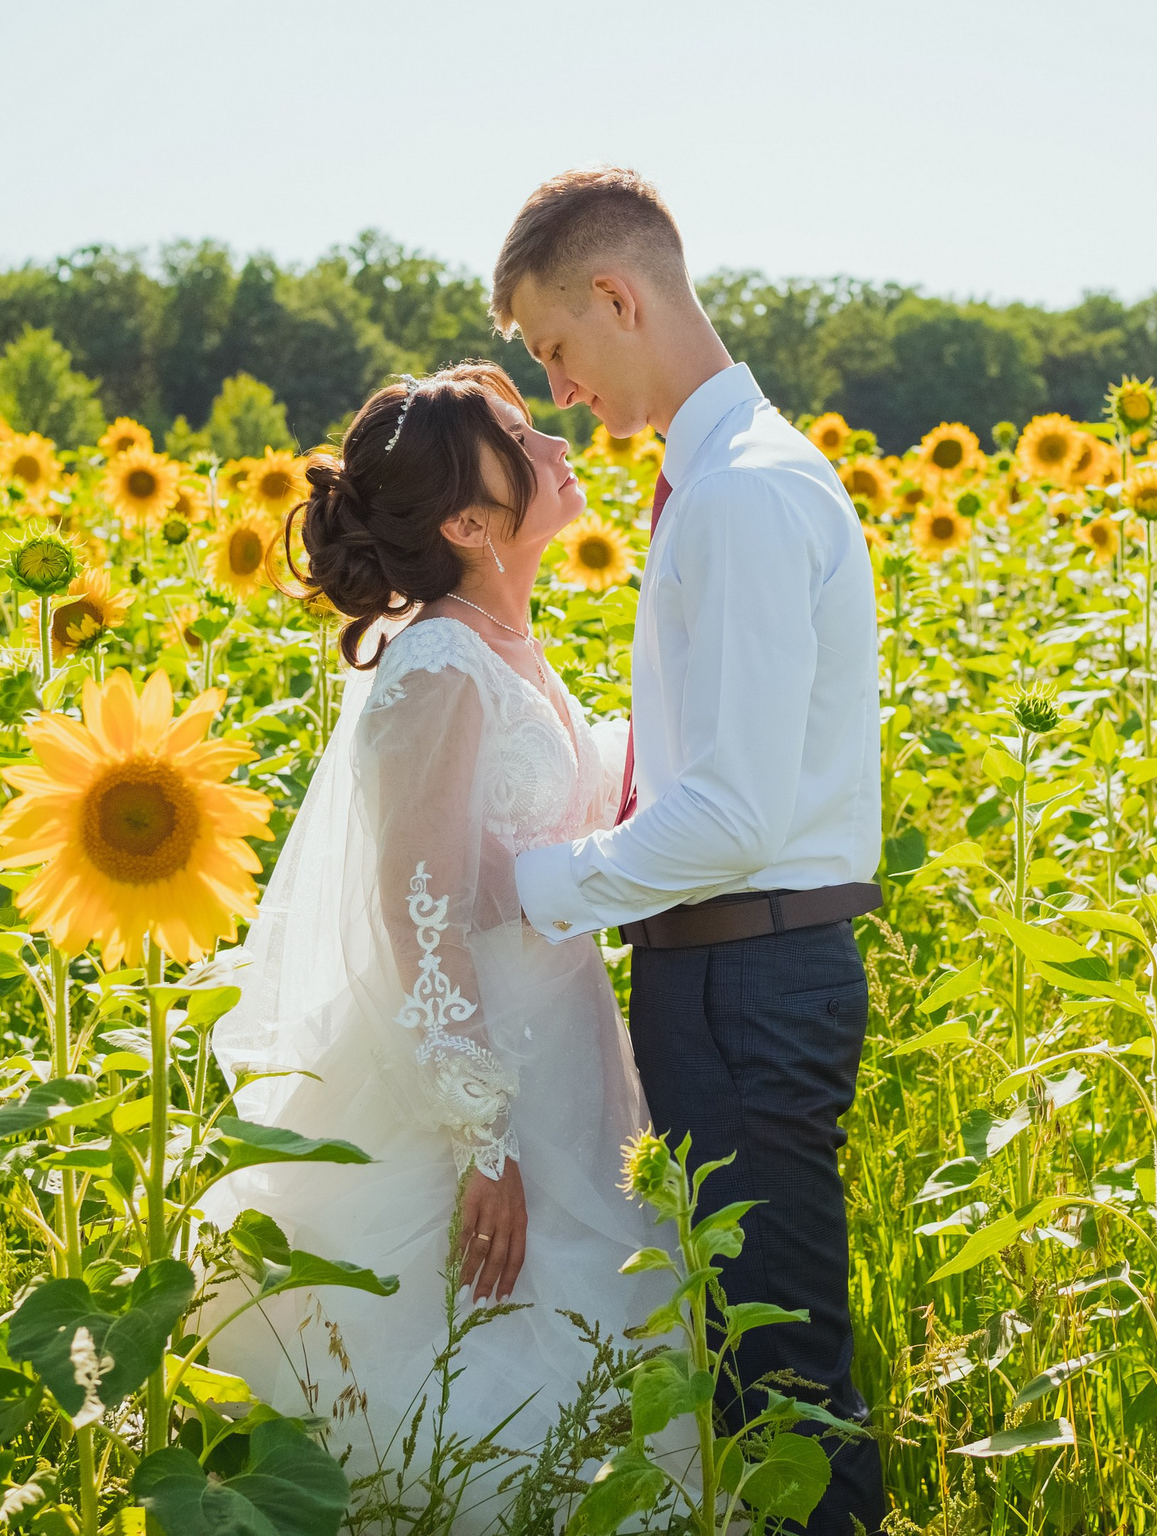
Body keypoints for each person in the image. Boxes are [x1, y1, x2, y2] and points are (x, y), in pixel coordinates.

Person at [202, 362, 670, 1532]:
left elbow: (526, 841)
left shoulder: (502, 640)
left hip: (563, 1049)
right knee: (469, 1362)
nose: (554, 444)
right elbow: (414, 917)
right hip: (473, 1081)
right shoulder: (435, 667)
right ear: (467, 524)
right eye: (520, 439)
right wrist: (484, 1139)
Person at [495, 167, 887, 1536]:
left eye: (555, 348)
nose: (558, 389)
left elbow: (728, 816)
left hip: (747, 973)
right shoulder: (725, 478)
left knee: (782, 1381)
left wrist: (533, 887)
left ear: (621, 294)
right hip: (734, 967)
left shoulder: (740, 495)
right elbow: (700, 760)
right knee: (749, 1362)